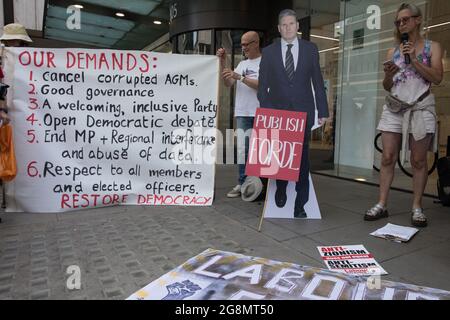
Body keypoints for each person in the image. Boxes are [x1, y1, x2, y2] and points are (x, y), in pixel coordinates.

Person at [364, 3, 443, 227]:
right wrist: (389, 75)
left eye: (405, 20)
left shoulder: (432, 47)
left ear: (417, 20)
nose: (401, 24)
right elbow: (388, 86)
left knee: (418, 160)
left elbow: (437, 78)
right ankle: (382, 204)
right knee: (387, 157)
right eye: (398, 22)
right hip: (395, 107)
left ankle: (417, 207)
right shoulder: (393, 51)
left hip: (420, 107)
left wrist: (415, 60)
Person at [257, 9, 329, 218]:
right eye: (284, 25)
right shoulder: (269, 52)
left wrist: (322, 111)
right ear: (279, 29)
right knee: (281, 155)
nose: (288, 28)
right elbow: (263, 87)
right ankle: (280, 188)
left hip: (303, 112)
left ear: (298, 26)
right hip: (278, 113)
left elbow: (317, 82)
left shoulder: (310, 49)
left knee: (303, 158)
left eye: (292, 24)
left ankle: (301, 202)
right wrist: (268, 110)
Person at [217, 31, 261, 198]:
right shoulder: (242, 64)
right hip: (243, 112)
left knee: (260, 151)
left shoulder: (265, 63)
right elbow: (228, 83)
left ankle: (259, 184)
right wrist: (222, 62)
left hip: (261, 112)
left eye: (246, 44)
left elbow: (263, 85)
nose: (243, 48)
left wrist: (240, 78)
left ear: (256, 43)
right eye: (242, 45)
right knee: (243, 149)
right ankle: (243, 182)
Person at [0, 23, 32, 221]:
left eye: (18, 42)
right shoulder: (4, 58)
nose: (16, 44)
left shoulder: (23, 59)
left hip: (15, 115)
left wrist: (3, 109)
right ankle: (8, 197)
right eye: (14, 41)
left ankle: (10, 196)